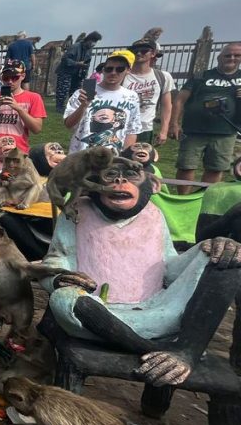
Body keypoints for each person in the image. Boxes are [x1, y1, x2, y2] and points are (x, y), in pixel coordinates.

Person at [40, 158, 241, 388]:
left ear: (152, 185)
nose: (120, 181)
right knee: (63, 298)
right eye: (111, 175)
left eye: (130, 176)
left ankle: (187, 352)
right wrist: (60, 277)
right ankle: (154, 350)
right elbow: (57, 258)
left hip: (159, 310)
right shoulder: (76, 211)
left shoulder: (154, 214)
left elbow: (169, 266)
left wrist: (211, 247)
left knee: (225, 256)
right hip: (95, 314)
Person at [171, 42, 241, 192]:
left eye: (237, 55)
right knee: (186, 166)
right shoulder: (201, 76)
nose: (232, 58)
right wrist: (174, 124)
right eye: (228, 55)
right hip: (194, 130)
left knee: (216, 168)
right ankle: (183, 199)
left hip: (226, 132)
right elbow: (179, 100)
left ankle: (204, 199)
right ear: (219, 57)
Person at [64, 50, 143, 154]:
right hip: (82, 157)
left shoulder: (131, 97)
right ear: (103, 70)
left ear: (128, 70)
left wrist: (125, 157)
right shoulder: (83, 92)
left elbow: (132, 131)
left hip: (113, 158)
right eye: (109, 69)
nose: (113, 73)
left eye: (120, 69)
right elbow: (68, 124)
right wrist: (83, 106)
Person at [0, 60, 46, 158]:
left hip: (18, 154)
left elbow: (37, 129)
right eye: (6, 78)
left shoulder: (34, 98)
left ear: (23, 76)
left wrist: (19, 109)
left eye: (14, 77)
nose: (10, 81)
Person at [124, 39, 174, 146]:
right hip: (122, 127)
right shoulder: (123, 75)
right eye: (135, 51)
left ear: (153, 53)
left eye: (143, 51)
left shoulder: (163, 76)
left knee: (141, 160)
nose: (138, 53)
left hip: (145, 128)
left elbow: (167, 106)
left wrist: (164, 131)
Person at [55, 31, 102, 112]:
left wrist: (84, 74)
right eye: (93, 41)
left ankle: (71, 106)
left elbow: (87, 63)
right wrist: (76, 63)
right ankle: (60, 107)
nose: (94, 43)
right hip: (65, 71)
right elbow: (65, 59)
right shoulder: (75, 47)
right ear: (88, 39)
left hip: (77, 73)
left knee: (75, 91)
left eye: (96, 42)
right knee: (63, 90)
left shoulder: (89, 50)